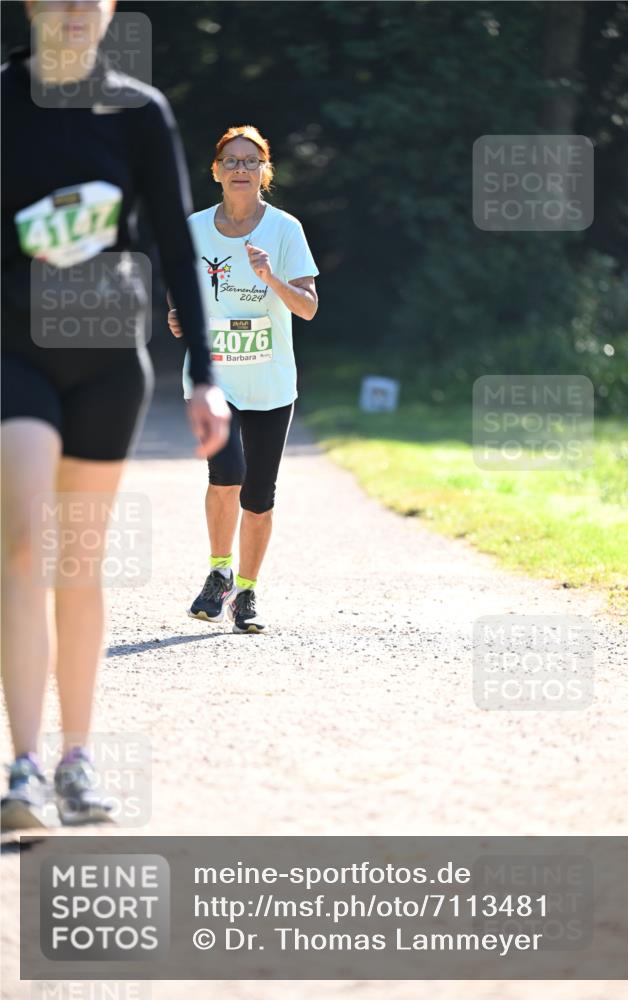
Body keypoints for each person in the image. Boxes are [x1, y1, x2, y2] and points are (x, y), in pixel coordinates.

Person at [1, 0, 230, 830]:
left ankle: (76, 761)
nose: (70, 12)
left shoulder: (140, 111)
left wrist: (205, 375)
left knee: (79, 562)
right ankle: (22, 769)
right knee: (27, 541)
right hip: (13, 355)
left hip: (107, 363)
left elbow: (177, 247)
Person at [168, 125, 319, 634]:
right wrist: (178, 316)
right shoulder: (192, 229)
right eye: (230, 161)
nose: (240, 168)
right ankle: (218, 574)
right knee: (225, 476)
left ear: (264, 172)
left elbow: (309, 308)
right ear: (215, 171)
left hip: (271, 383)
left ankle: (247, 593)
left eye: (250, 161)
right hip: (215, 380)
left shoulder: (285, 230)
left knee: (259, 497)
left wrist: (271, 278)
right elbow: (182, 295)